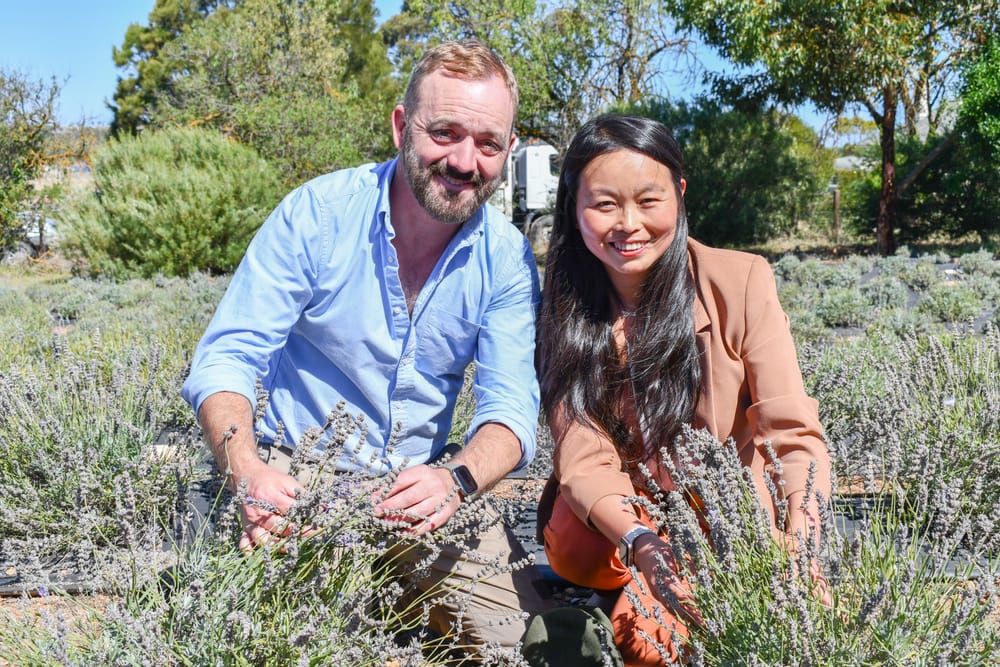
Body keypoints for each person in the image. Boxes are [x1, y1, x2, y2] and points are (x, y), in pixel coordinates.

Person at [181, 40, 549, 651]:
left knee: (523, 647)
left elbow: (510, 412)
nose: (464, 161)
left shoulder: (506, 258)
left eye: (487, 144)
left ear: (508, 152)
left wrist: (454, 481)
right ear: (402, 126)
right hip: (296, 477)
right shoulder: (318, 215)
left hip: (425, 489)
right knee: (286, 643)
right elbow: (228, 357)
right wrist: (247, 469)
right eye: (445, 133)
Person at [534, 113, 832, 666]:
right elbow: (582, 454)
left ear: (679, 194)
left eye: (649, 201)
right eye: (604, 205)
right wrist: (643, 543)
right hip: (618, 521)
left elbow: (792, 434)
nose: (629, 224)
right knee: (644, 640)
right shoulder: (564, 300)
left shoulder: (739, 281)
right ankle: (615, 587)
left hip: (721, 514)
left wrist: (801, 539)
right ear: (574, 208)